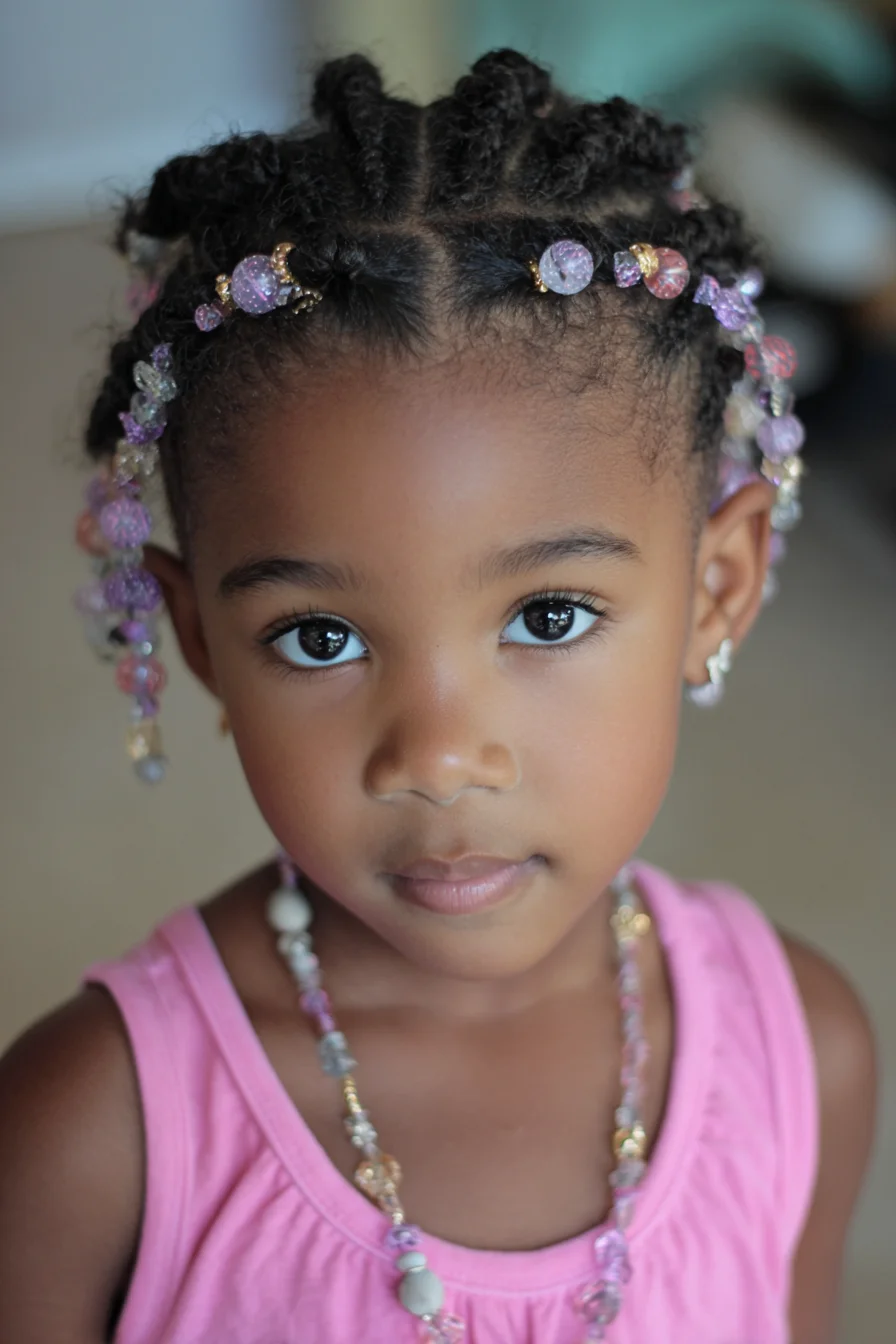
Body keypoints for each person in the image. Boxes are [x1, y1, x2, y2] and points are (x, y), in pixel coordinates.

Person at [0, 50, 876, 1344]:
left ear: (718, 587)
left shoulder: (805, 1051)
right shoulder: (90, 1131)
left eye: (548, 616)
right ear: (196, 640)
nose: (440, 756)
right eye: (317, 638)